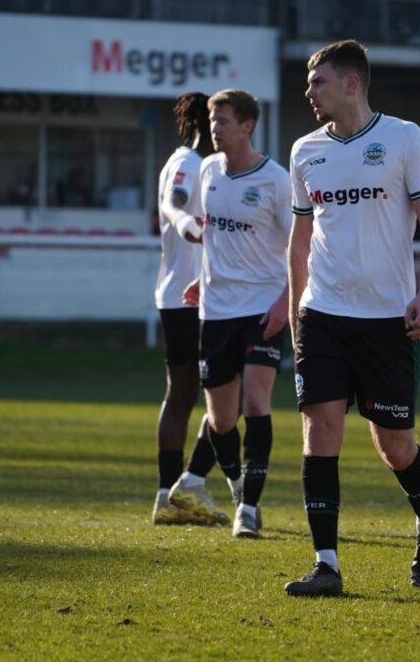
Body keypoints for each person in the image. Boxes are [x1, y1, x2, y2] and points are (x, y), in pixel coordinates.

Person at [285, 39, 420, 596]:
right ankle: (326, 564)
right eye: (309, 83)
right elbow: (300, 241)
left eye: (318, 82)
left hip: (386, 320)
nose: (309, 92)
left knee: (394, 446)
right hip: (323, 315)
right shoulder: (305, 151)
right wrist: (295, 316)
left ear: (351, 83)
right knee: (319, 430)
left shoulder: (404, 137)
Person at [171, 89, 290, 540]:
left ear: (247, 125)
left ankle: (250, 509)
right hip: (216, 309)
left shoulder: (276, 180)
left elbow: (303, 247)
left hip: (263, 307)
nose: (213, 128)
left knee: (256, 402)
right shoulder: (207, 171)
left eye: (221, 120)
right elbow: (215, 235)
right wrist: (205, 277)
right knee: (220, 420)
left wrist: (284, 300)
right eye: (212, 120)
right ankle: (235, 485)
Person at [151, 92, 220, 526]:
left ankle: (174, 492)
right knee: (213, 394)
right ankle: (182, 487)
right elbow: (174, 203)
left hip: (193, 296)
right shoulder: (188, 164)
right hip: (189, 298)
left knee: (188, 394)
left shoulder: (211, 167)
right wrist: (187, 222)